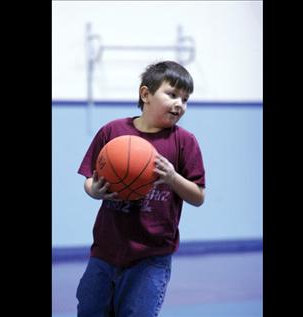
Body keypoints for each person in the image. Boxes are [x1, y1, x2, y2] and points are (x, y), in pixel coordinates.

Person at [76, 60, 206, 317]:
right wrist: (95, 190)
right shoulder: (113, 131)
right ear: (145, 94)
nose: (180, 104)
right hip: (105, 251)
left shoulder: (184, 142)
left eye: (186, 99)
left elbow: (198, 196)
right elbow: (89, 180)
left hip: (151, 256)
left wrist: (172, 177)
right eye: (172, 94)